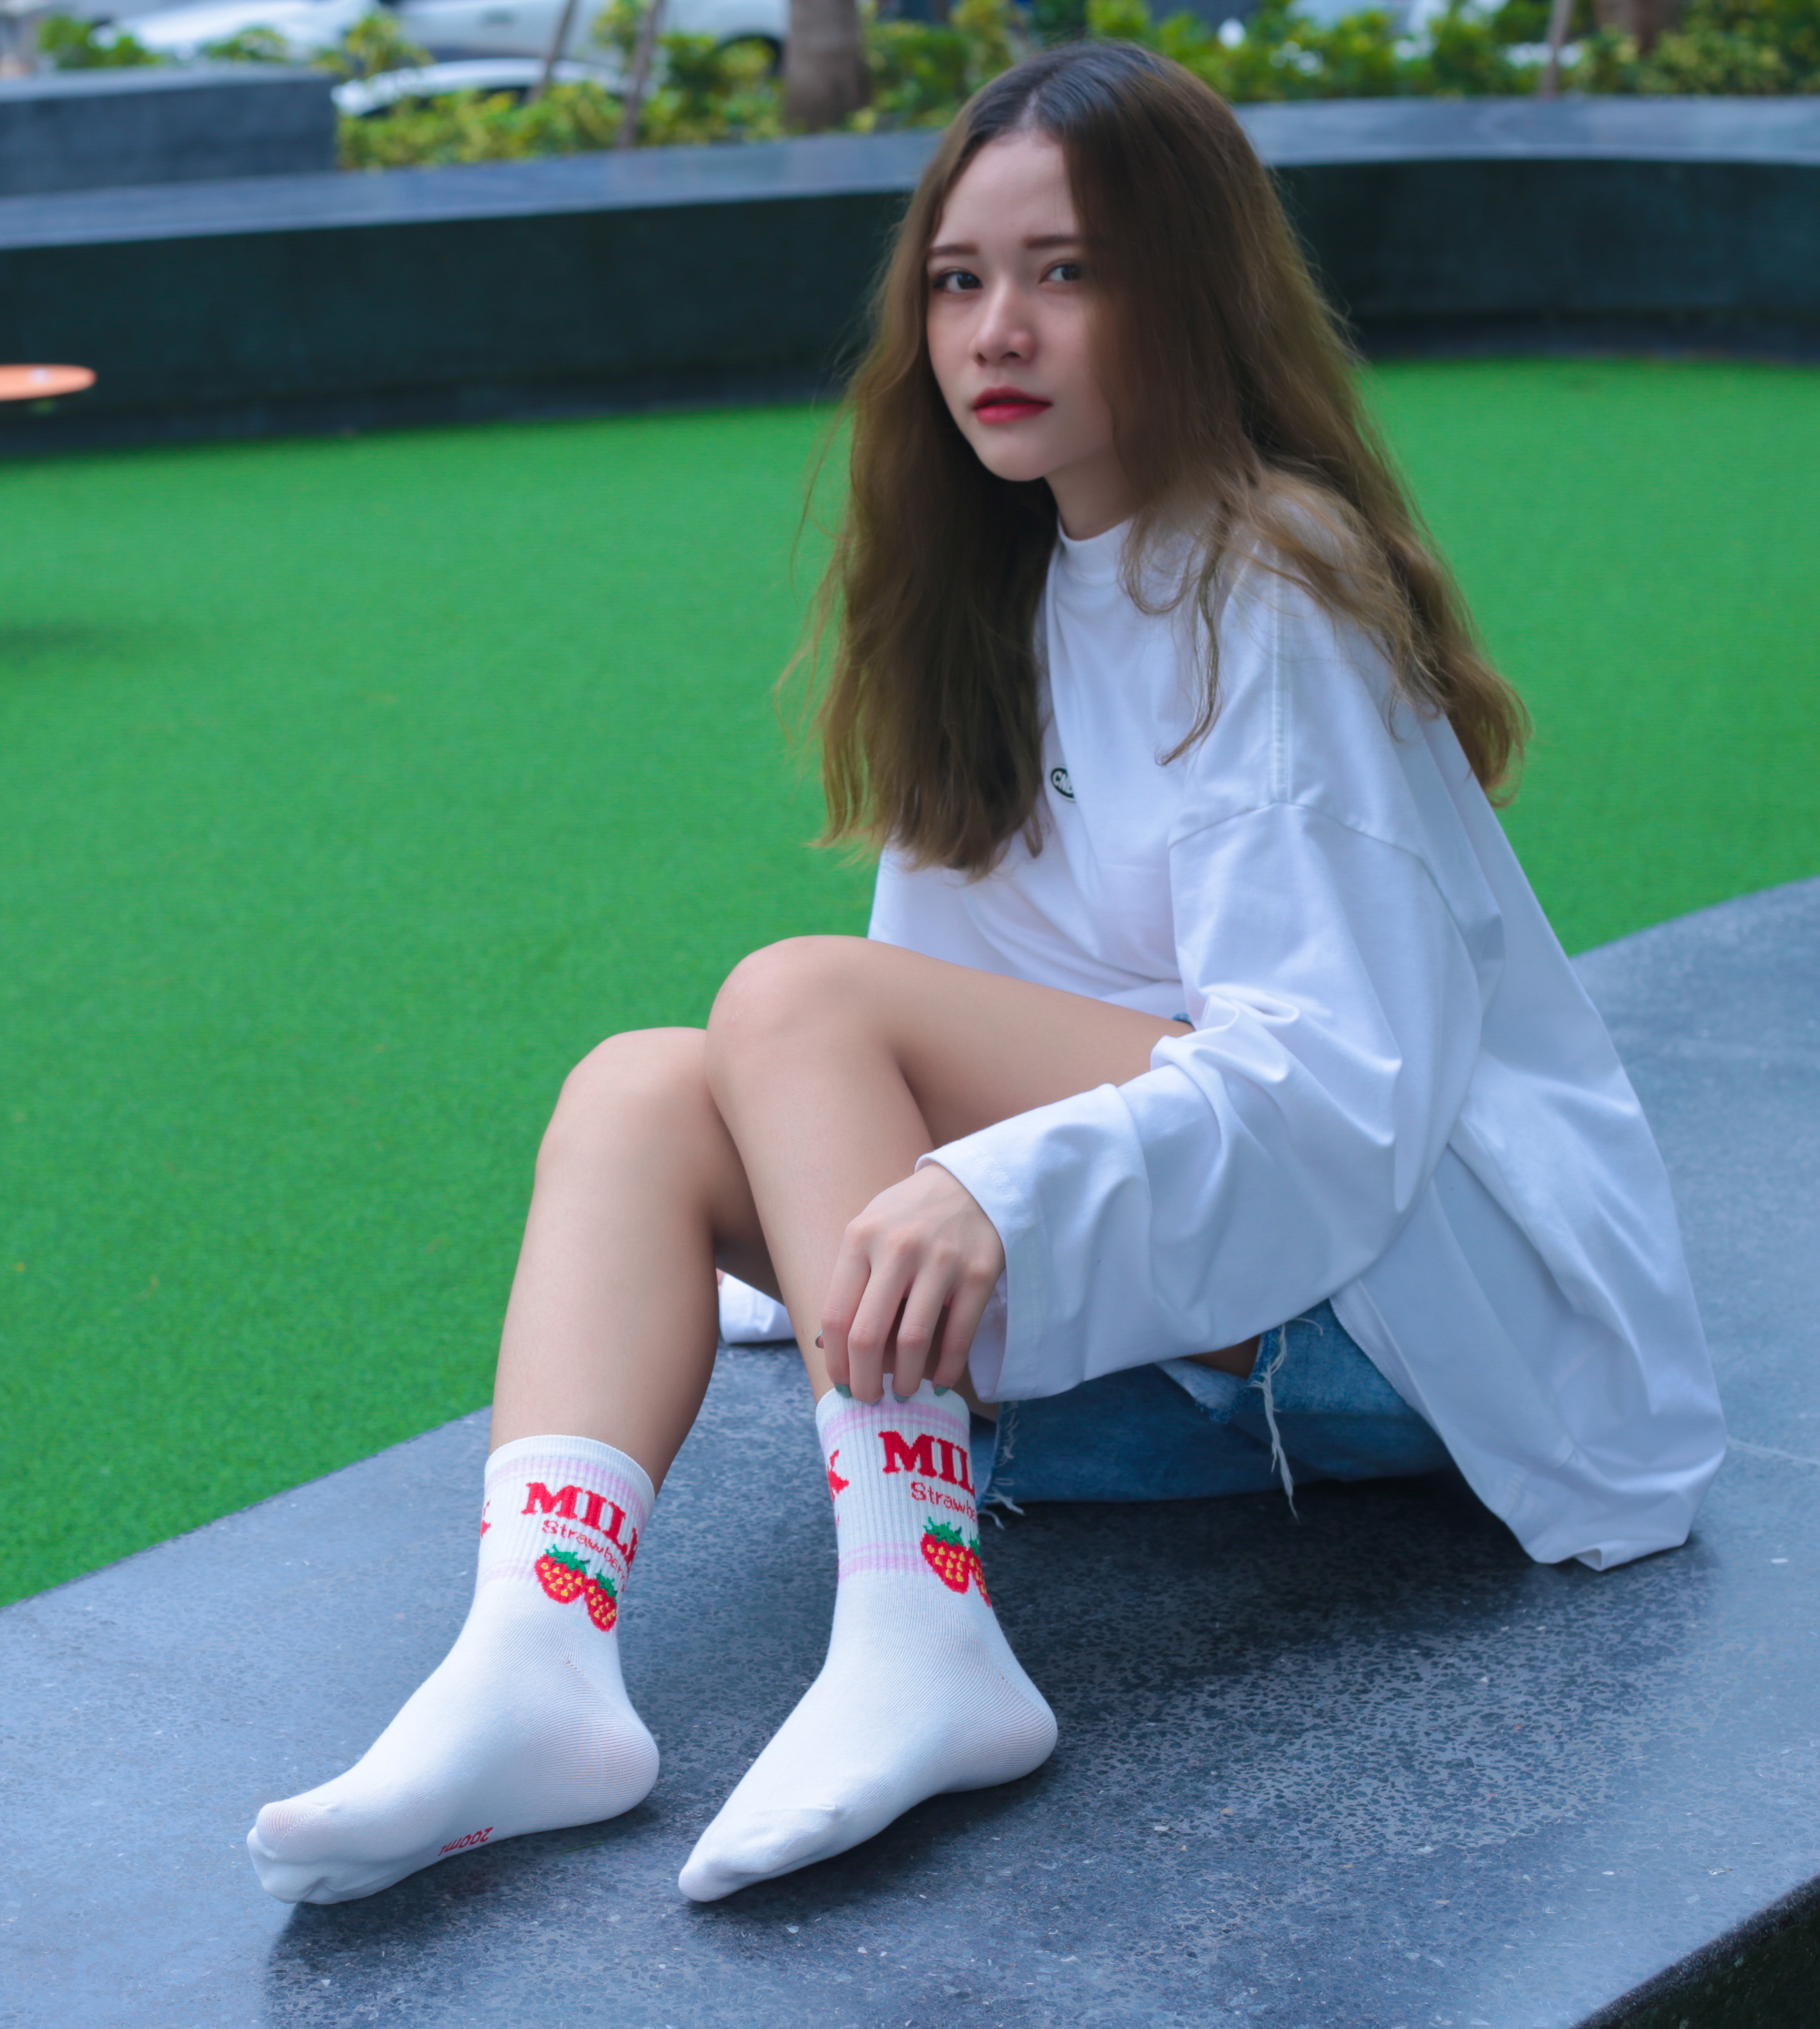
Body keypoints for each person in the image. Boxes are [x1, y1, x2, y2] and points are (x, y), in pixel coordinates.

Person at [246, 39, 1725, 1910]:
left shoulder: (1270, 588)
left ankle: (923, 1623)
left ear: (1189, 290)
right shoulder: (1013, 585)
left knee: (794, 997)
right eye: (958, 280)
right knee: (637, 1090)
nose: (994, 331)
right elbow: (941, 1014)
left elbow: (1343, 1087)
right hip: (1201, 1309)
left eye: (1066, 271)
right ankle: (529, 1670)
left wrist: (991, 1192)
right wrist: (914, 1193)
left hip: (1410, 1307)